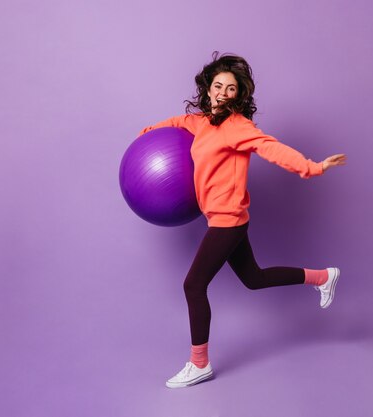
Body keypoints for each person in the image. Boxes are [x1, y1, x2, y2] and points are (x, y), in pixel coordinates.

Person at [138, 52, 347, 389]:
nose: (222, 92)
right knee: (254, 278)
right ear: (208, 89)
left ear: (239, 95)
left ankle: (199, 364)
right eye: (217, 86)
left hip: (228, 220)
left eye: (230, 88)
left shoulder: (239, 128)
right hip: (221, 219)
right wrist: (143, 137)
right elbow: (172, 126)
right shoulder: (200, 123)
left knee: (193, 285)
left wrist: (314, 167)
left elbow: (273, 149)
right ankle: (323, 277)